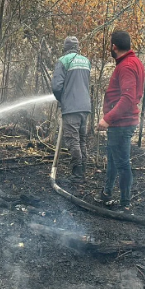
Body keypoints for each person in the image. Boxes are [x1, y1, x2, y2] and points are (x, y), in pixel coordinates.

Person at [96, 30, 145, 210]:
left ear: (114, 47)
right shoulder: (134, 62)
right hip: (121, 122)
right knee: (114, 159)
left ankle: (125, 203)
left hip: (122, 123)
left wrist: (108, 119)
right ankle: (106, 193)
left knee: (122, 163)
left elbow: (127, 98)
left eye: (110, 45)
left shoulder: (126, 66)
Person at [52, 36, 92, 181]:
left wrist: (62, 99)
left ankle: (77, 174)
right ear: (77, 47)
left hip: (71, 108)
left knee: (72, 140)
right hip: (85, 107)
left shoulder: (63, 61)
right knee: (82, 140)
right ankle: (83, 171)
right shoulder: (86, 61)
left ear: (65, 47)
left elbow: (56, 86)